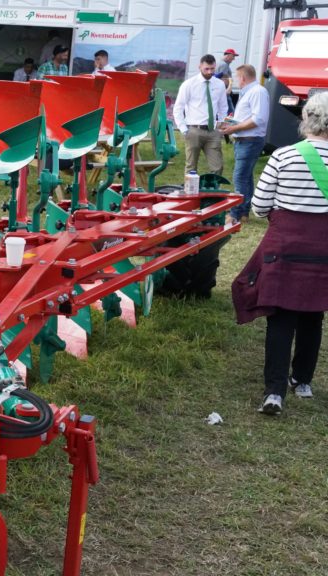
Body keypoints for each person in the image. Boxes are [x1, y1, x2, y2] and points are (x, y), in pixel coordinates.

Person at [232, 91, 328, 415]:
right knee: (314, 314)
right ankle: (302, 381)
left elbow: (258, 207)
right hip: (323, 251)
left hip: (285, 250)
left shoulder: (283, 156)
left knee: (281, 318)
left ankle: (274, 392)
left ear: (306, 120)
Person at [220, 64, 269, 225]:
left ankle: (235, 214)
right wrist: (233, 121)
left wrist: (234, 127)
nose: (236, 82)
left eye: (237, 78)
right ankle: (243, 213)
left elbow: (258, 119)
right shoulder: (251, 92)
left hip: (250, 140)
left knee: (239, 177)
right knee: (245, 177)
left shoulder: (257, 92)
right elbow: (251, 116)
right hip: (245, 140)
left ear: (243, 78)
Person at [173, 54, 228, 176]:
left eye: (212, 69)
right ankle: (189, 193)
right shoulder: (189, 84)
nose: (210, 72)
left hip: (212, 131)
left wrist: (221, 122)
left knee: (217, 167)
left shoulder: (219, 84)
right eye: (206, 69)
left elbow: (223, 106)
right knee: (191, 167)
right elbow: (178, 108)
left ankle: (213, 193)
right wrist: (184, 130)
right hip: (194, 130)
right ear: (200, 67)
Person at [217, 48, 237, 113]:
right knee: (231, 113)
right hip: (224, 92)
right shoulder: (224, 65)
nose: (234, 59)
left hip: (222, 92)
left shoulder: (220, 63)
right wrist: (229, 87)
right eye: (233, 56)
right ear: (228, 55)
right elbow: (223, 79)